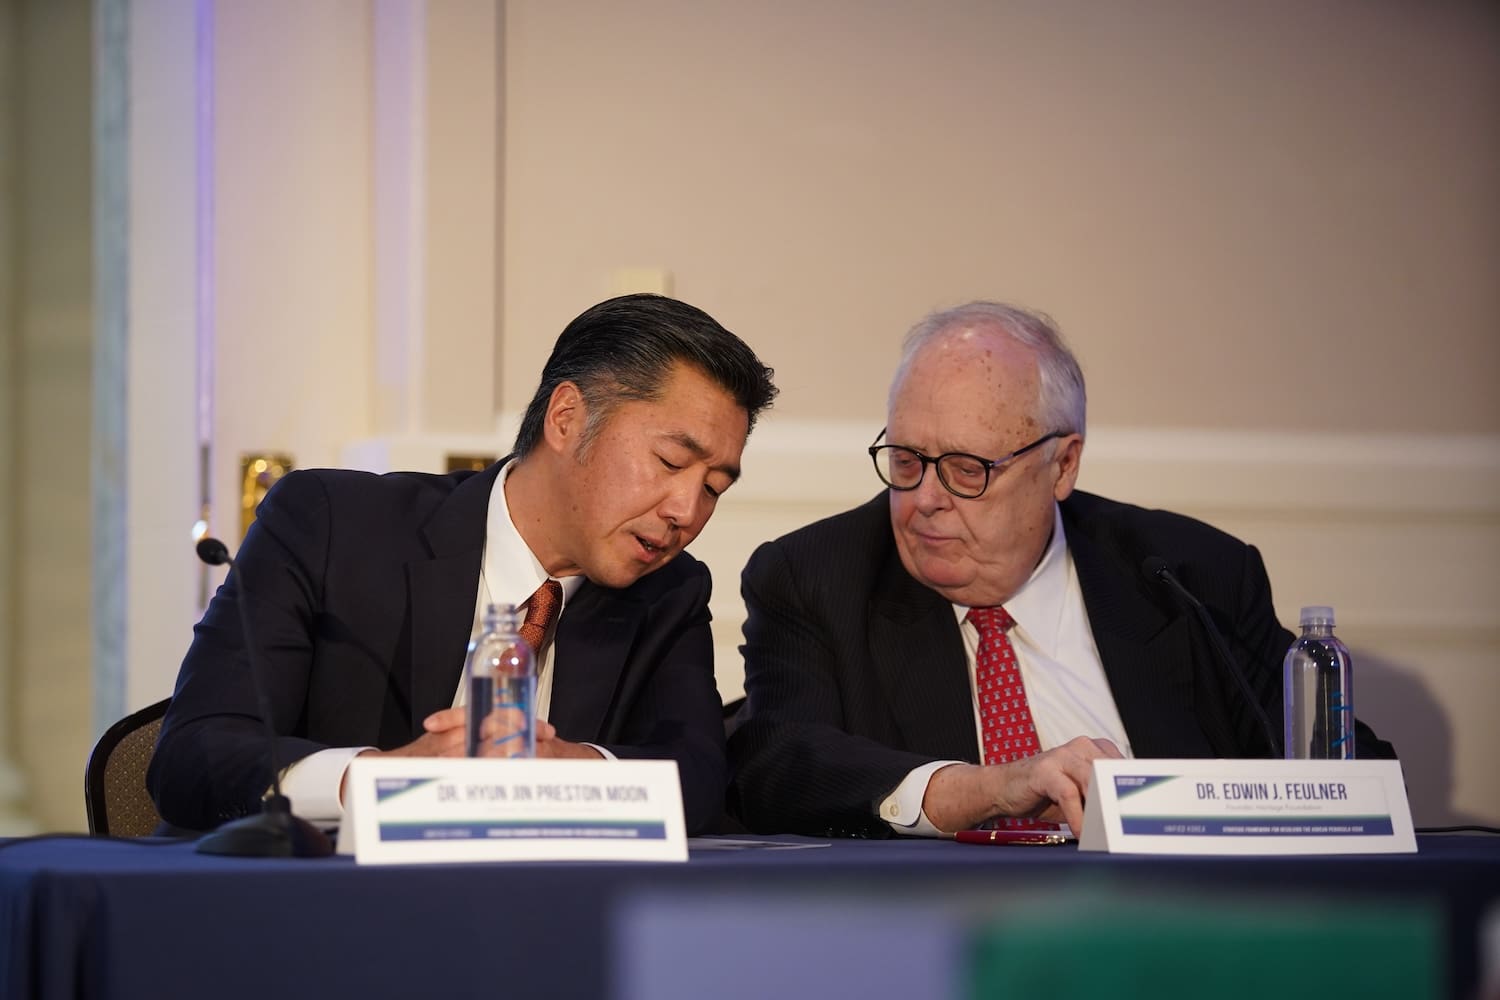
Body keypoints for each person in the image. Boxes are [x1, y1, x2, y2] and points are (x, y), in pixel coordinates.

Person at [727, 301, 1393, 839]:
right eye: (906, 460)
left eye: (966, 469)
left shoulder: (1189, 577)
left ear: (1063, 465)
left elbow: (1349, 774)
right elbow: (781, 766)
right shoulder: (816, 577)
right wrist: (990, 787)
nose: (925, 497)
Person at [149, 293, 777, 836]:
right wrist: (380, 782)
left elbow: (698, 780)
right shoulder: (332, 524)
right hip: (317, 914)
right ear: (567, 419)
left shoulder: (669, 591)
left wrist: (570, 771)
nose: (686, 511)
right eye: (671, 462)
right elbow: (195, 753)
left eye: (714, 487)